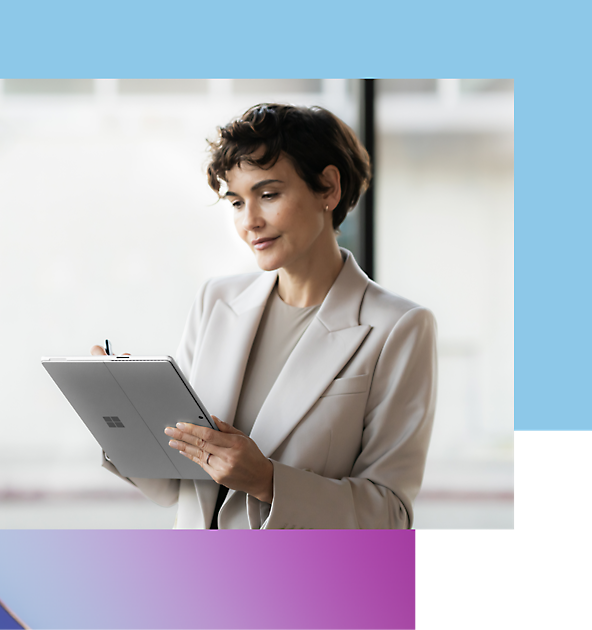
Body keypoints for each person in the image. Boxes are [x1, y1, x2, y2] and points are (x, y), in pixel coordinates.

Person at [92, 103, 436, 529]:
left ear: (329, 188)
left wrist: (268, 481)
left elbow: (390, 515)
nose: (249, 221)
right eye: (237, 202)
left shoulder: (398, 327)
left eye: (268, 195)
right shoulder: (216, 300)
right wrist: (123, 416)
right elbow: (173, 483)